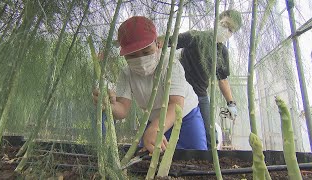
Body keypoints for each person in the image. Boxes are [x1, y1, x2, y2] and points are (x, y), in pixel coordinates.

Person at [93, 16, 207, 153]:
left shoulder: (171, 65)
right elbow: (122, 109)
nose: (140, 60)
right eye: (132, 55)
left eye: (146, 52)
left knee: (196, 160)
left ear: (158, 44)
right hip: (152, 120)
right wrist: (108, 104)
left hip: (185, 118)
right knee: (148, 161)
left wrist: (154, 129)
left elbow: (176, 105)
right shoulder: (126, 73)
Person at [159, 9, 242, 148]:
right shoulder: (195, 37)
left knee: (210, 135)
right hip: (179, 92)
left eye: (231, 29)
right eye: (225, 24)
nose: (226, 30)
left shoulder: (223, 52)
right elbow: (166, 42)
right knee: (169, 126)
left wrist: (231, 103)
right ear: (217, 22)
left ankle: (207, 164)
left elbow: (222, 79)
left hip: (200, 95)